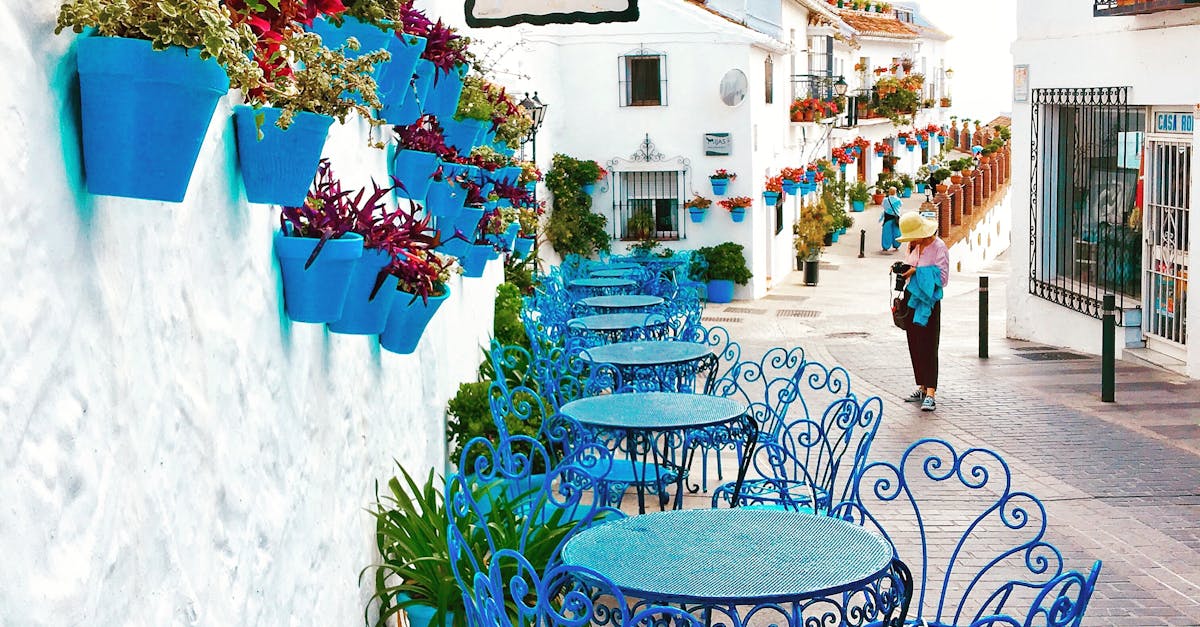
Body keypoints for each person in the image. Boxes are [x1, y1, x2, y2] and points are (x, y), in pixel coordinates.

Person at [895, 212, 949, 412]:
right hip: (911, 298)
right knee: (915, 344)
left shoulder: (939, 247)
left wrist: (917, 271)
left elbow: (942, 278)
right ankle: (922, 387)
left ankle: (931, 393)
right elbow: (910, 267)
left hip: (929, 302)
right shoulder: (914, 246)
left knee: (929, 345)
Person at [879, 186, 902, 252]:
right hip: (896, 217)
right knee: (897, 232)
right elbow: (900, 206)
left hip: (888, 217)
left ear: (889, 192)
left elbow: (883, 206)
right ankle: (896, 245)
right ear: (895, 192)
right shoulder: (898, 200)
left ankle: (885, 246)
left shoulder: (885, 199)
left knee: (886, 232)